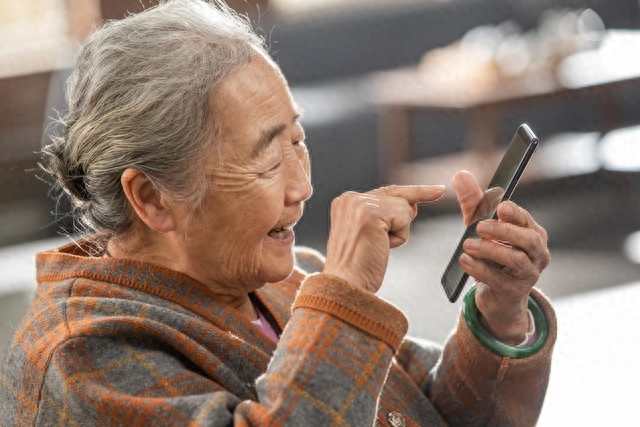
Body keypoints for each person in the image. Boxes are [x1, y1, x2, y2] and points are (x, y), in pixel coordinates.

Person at [0, 0, 555, 425]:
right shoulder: (80, 355)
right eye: (268, 161)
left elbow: (421, 411)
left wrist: (500, 309)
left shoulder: (291, 279)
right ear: (151, 197)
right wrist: (346, 297)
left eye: (298, 140)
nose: (305, 186)